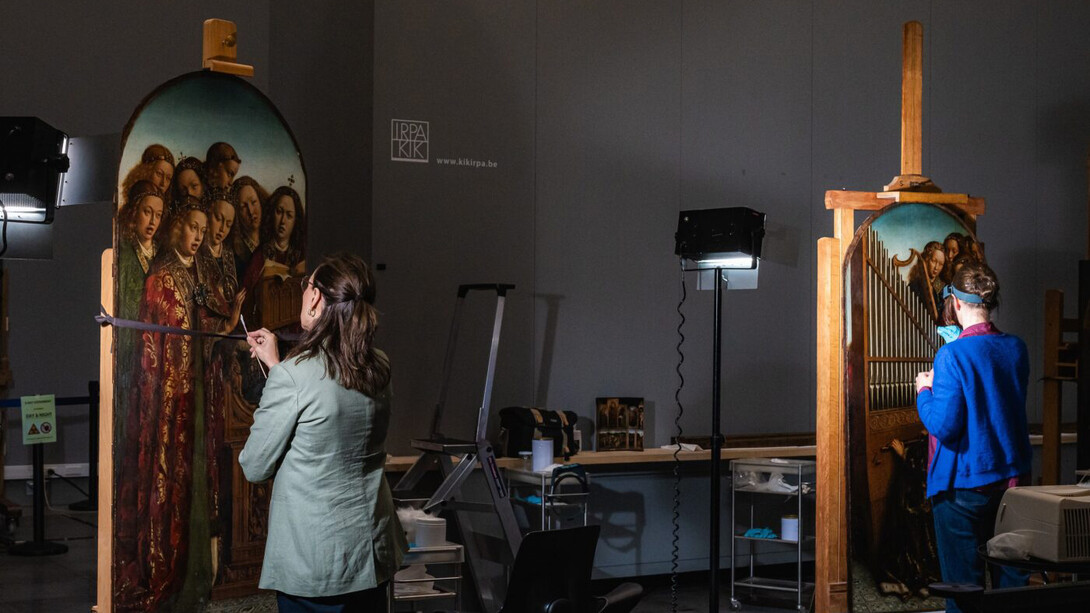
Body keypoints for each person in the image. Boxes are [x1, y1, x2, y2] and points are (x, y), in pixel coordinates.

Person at [239, 253, 407, 612]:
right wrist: (278, 366)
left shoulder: (294, 377)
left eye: (306, 286)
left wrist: (281, 373)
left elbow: (255, 466)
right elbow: (326, 402)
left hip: (317, 563)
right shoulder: (379, 366)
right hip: (371, 553)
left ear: (315, 297)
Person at [114, 196, 245, 612]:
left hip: (202, 398)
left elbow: (208, 328)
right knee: (173, 479)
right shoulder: (161, 279)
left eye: (204, 230)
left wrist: (228, 325)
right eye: (193, 227)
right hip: (171, 404)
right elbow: (156, 349)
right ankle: (169, 572)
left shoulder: (202, 274)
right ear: (178, 228)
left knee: (201, 480)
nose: (199, 236)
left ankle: (202, 574)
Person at [915, 262, 1031, 613]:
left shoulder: (951, 355)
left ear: (955, 303)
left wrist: (924, 391)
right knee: (1011, 592)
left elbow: (945, 426)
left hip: (962, 488)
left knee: (964, 592)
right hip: (1013, 484)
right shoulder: (1017, 348)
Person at [229, 176, 268, 280]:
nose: (251, 211)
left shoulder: (271, 238)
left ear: (260, 201)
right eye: (243, 207)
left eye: (254, 202)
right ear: (237, 213)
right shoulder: (235, 254)